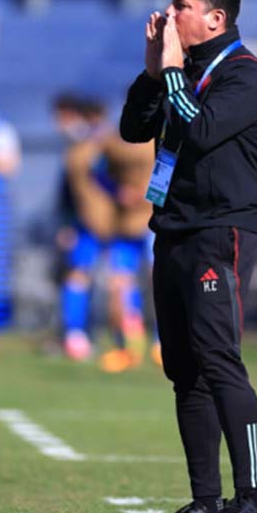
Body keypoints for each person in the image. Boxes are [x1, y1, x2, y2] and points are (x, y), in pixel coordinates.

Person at [120, 0, 257, 513]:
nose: (169, 15)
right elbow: (132, 129)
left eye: (180, 6)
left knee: (219, 362)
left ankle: (254, 502)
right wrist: (153, 72)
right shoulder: (179, 71)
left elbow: (201, 128)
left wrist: (169, 72)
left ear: (215, 18)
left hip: (221, 231)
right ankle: (206, 502)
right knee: (184, 370)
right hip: (173, 229)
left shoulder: (246, 74)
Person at [54, 98, 117, 361]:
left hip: (95, 222)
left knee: (87, 277)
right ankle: (79, 334)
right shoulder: (86, 147)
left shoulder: (88, 148)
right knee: (87, 276)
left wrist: (67, 222)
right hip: (97, 221)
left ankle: (80, 334)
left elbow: (80, 189)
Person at [95, 129, 158, 372]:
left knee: (160, 281)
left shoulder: (162, 136)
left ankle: (163, 344)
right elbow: (96, 172)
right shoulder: (112, 141)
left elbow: (173, 168)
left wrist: (151, 195)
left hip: (155, 222)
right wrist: (117, 191)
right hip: (124, 225)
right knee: (120, 284)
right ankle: (128, 347)